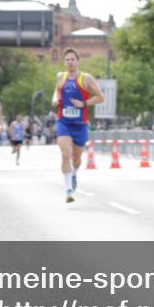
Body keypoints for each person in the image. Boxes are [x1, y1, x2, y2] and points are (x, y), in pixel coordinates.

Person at [51, 48, 105, 203]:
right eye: (67, 59)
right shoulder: (60, 76)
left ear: (77, 60)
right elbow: (57, 91)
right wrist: (55, 99)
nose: (69, 62)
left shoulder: (86, 78)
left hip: (80, 125)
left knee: (76, 158)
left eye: (72, 59)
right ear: (64, 62)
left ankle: (74, 173)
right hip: (64, 122)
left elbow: (101, 97)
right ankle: (68, 190)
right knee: (65, 154)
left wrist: (84, 103)